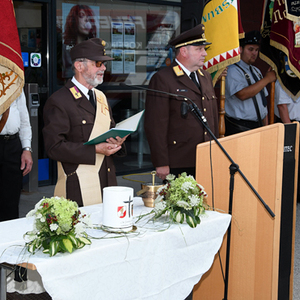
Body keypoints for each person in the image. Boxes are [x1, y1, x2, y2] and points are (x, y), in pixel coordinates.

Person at [43, 38, 127, 207]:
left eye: (103, 63)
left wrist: (117, 141)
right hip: (78, 186)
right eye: (98, 63)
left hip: (107, 181)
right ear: (79, 66)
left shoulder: (100, 97)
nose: (103, 68)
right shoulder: (59, 101)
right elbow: (54, 147)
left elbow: (109, 130)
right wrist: (95, 149)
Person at [144, 24, 219, 181]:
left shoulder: (205, 77)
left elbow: (213, 119)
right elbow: (155, 125)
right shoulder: (164, 79)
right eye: (199, 49)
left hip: (206, 157)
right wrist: (161, 161)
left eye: (204, 49)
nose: (204, 53)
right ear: (184, 51)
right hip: (178, 160)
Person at [225, 30, 276, 136]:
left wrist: (265, 126)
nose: (254, 53)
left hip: (257, 126)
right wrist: (267, 79)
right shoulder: (232, 70)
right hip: (239, 127)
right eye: (250, 49)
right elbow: (242, 94)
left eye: (257, 50)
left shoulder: (256, 71)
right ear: (241, 49)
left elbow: (263, 102)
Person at [0, 90, 33, 221]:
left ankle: (8, 239)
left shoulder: (14, 82)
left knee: (11, 202)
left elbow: (24, 119)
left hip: (13, 145)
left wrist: (26, 149)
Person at [274, 79, 300, 203]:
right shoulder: (284, 81)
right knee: (290, 161)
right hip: (289, 124)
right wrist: (291, 132)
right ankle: (289, 196)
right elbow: (282, 107)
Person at [62, 4, 97, 78]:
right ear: (74, 20)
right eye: (81, 16)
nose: (87, 20)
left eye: (89, 17)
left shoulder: (93, 48)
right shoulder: (66, 48)